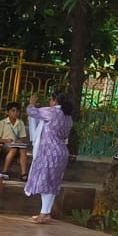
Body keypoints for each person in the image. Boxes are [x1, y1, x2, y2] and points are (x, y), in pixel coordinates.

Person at [24, 93, 75, 224]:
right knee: (54, 182)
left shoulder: (52, 112)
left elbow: (31, 111)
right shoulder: (68, 117)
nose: (49, 102)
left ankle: (44, 213)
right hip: (62, 151)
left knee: (45, 181)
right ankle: (46, 213)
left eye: (51, 99)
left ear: (55, 101)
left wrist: (32, 103)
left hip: (49, 151)